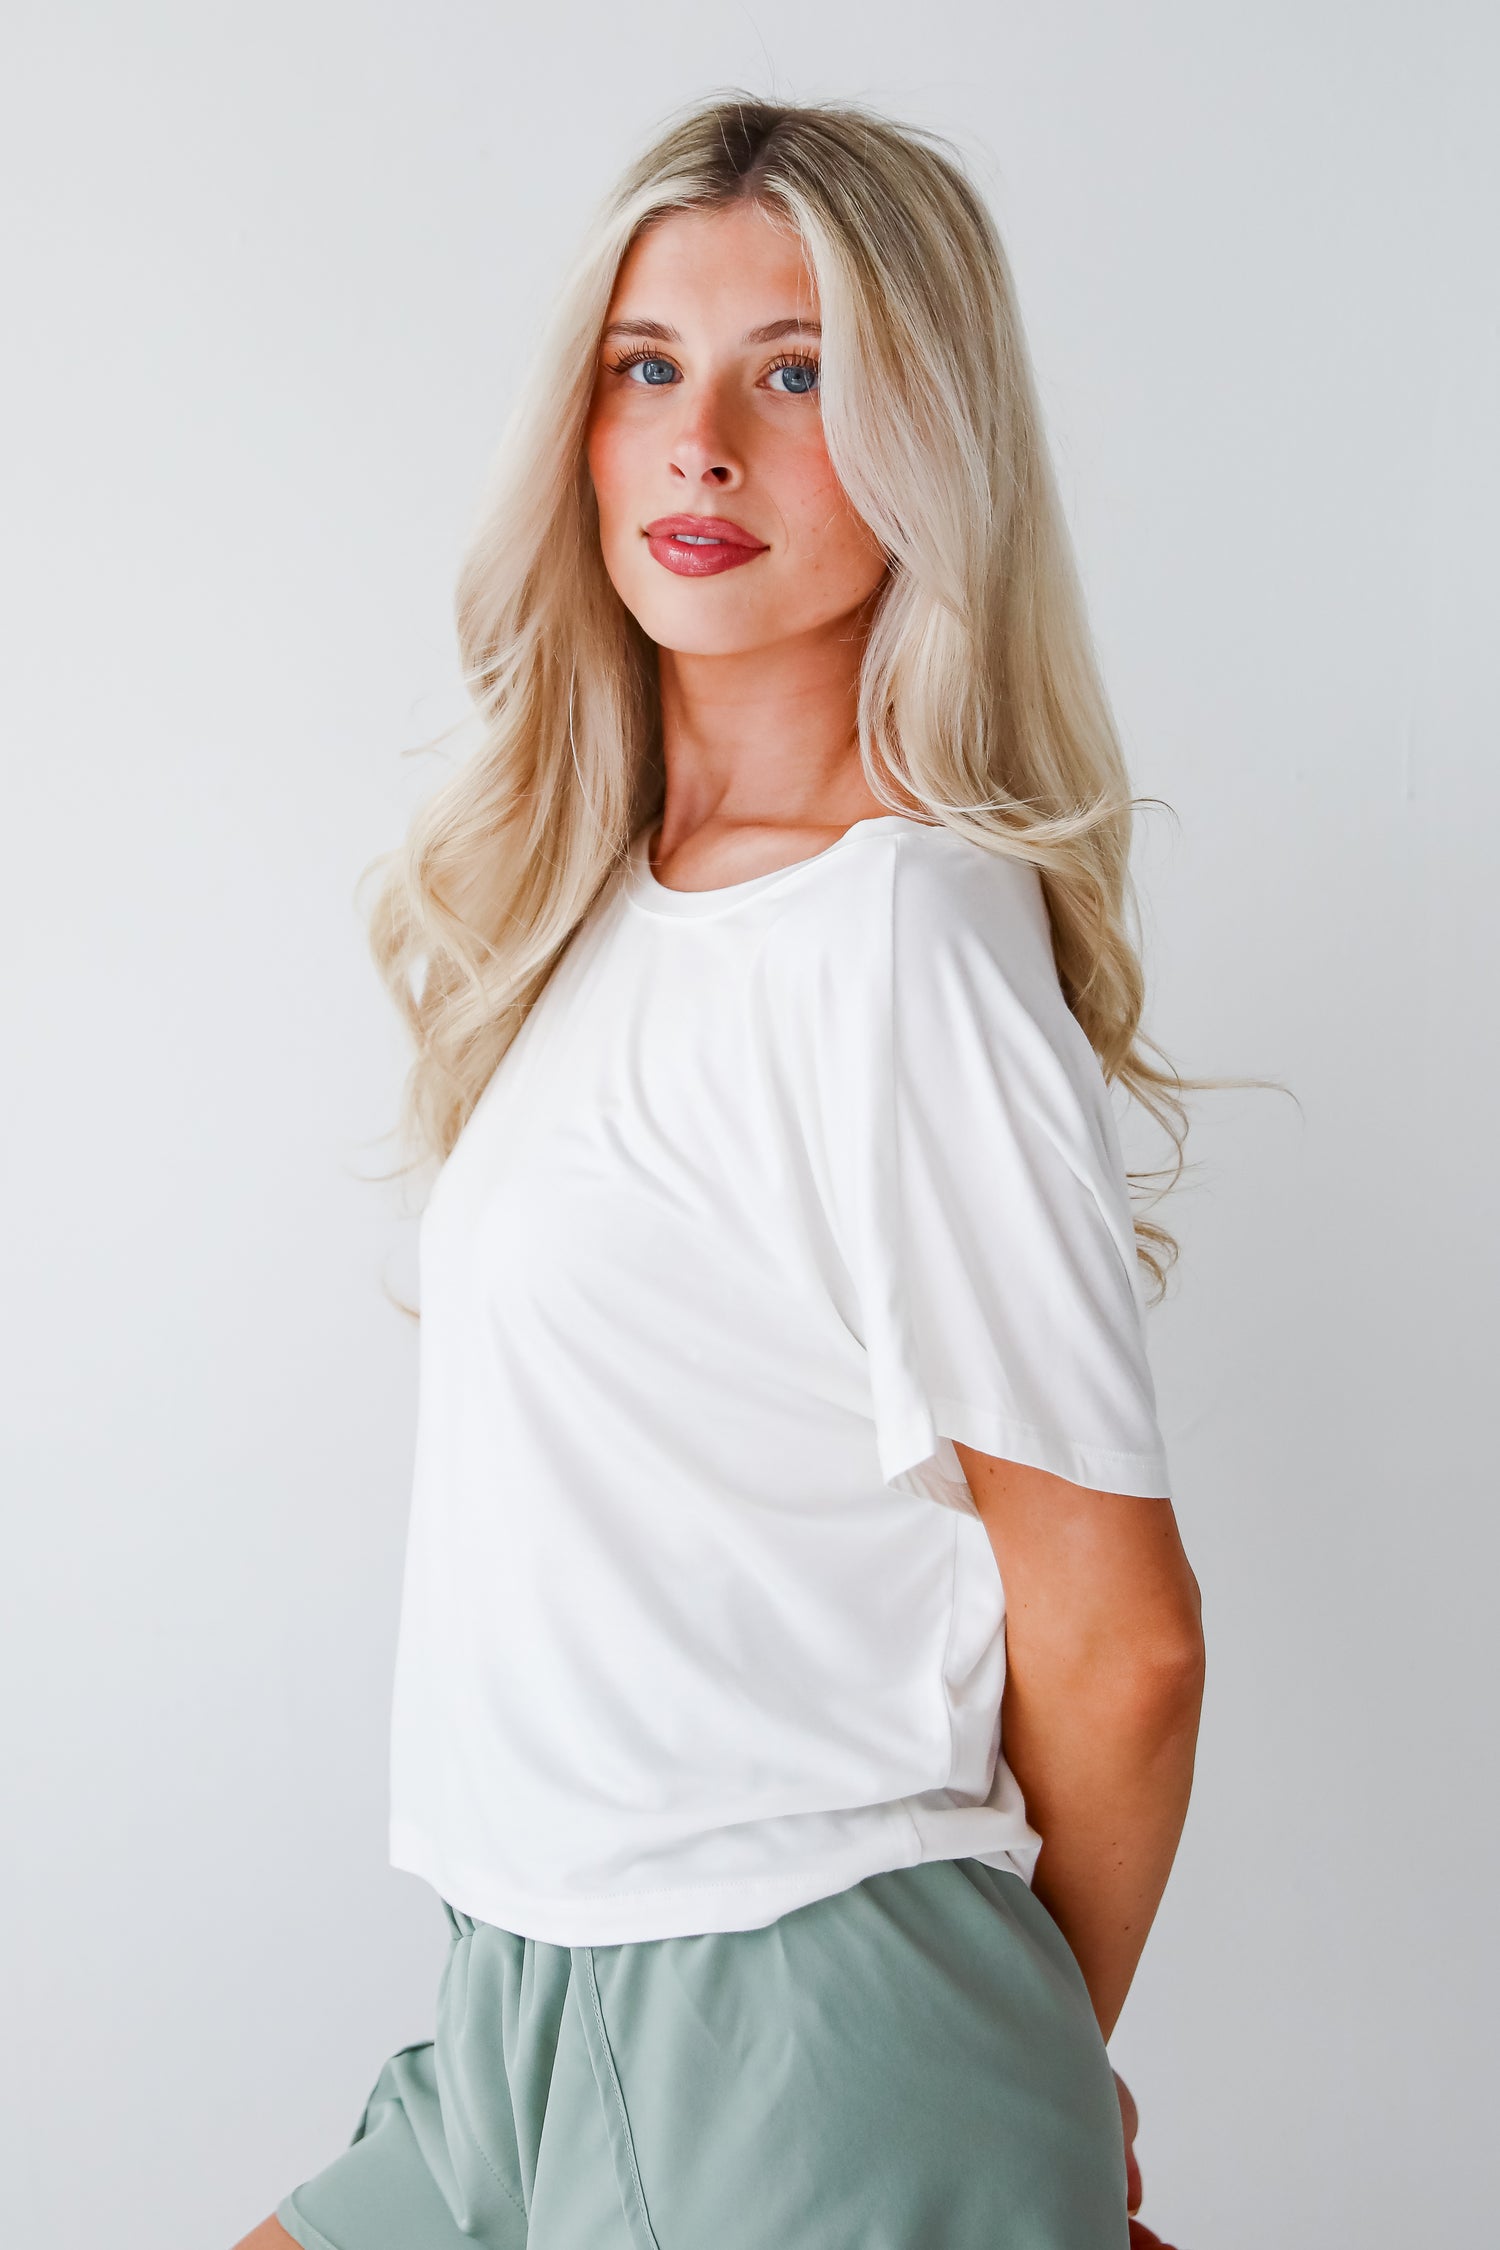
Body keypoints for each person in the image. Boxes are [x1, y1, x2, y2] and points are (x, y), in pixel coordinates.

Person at [237, 93, 1205, 2250]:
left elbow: (1122, 1639)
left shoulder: (900, 936)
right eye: (649, 367)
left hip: (801, 2015)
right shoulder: (601, 907)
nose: (701, 448)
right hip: (519, 1990)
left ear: (928, 446)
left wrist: (1022, 2059)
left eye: (797, 376)